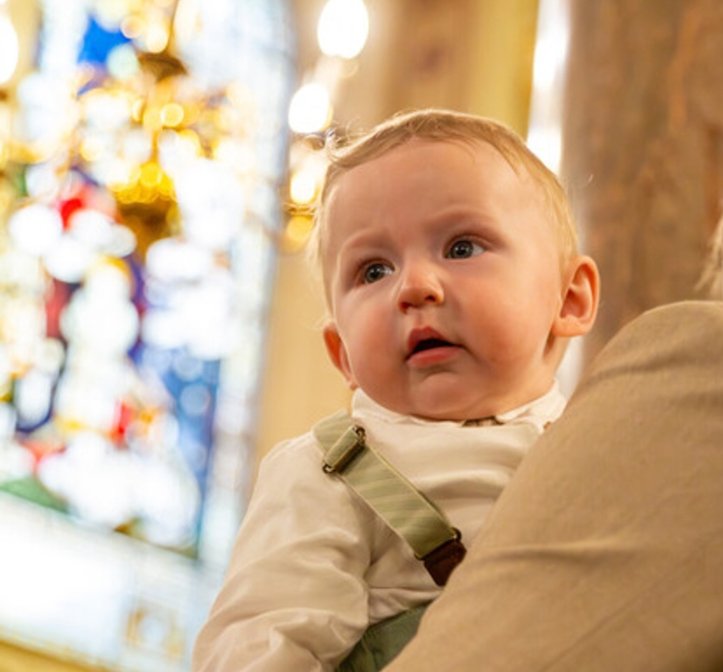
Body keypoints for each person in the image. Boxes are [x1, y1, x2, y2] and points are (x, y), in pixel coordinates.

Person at [191, 108, 600, 671]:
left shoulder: (603, 446)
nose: (414, 287)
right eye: (373, 270)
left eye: (461, 248)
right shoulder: (330, 470)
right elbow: (260, 642)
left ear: (570, 299)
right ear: (344, 356)